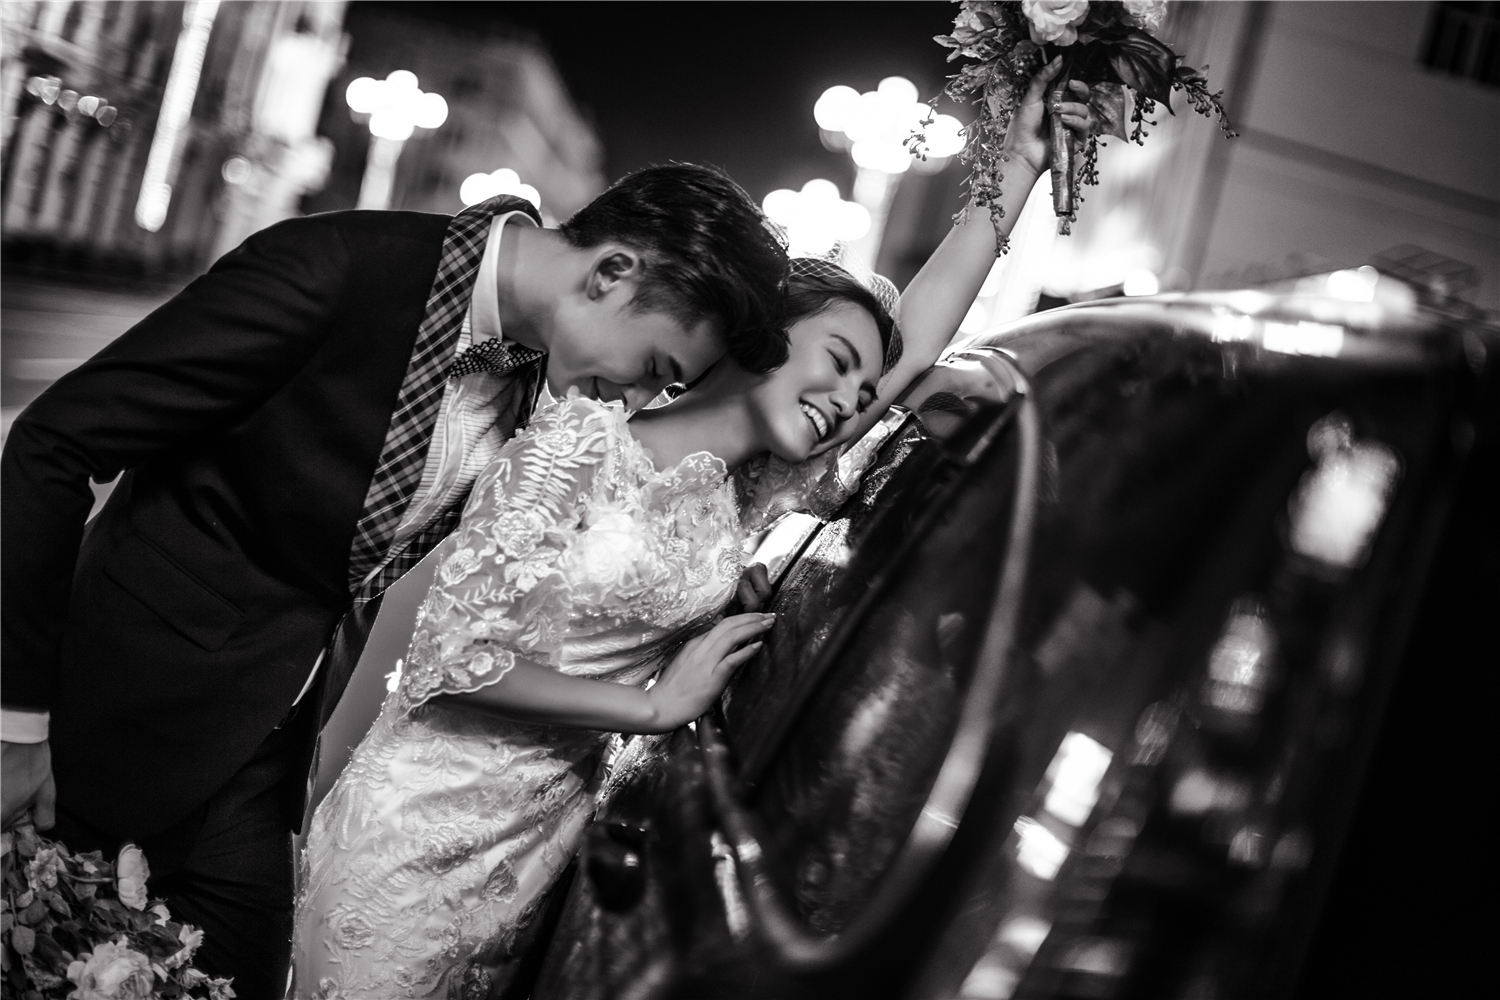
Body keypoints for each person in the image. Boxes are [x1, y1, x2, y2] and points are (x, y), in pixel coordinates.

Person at [293, 60, 1094, 999]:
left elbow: (913, 347)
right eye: (837, 361)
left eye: (863, 391)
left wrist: (1019, 168)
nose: (851, 401)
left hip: (533, 859)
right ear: (762, 338)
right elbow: (454, 658)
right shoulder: (575, 443)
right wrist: (654, 708)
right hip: (413, 832)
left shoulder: (743, 497)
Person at [0, 163, 790, 997]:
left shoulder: (545, 372)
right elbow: (54, 444)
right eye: (653, 364)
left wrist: (708, 587)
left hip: (265, 750)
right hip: (113, 714)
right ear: (611, 271)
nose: (635, 399)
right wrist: (15, 726)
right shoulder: (338, 267)